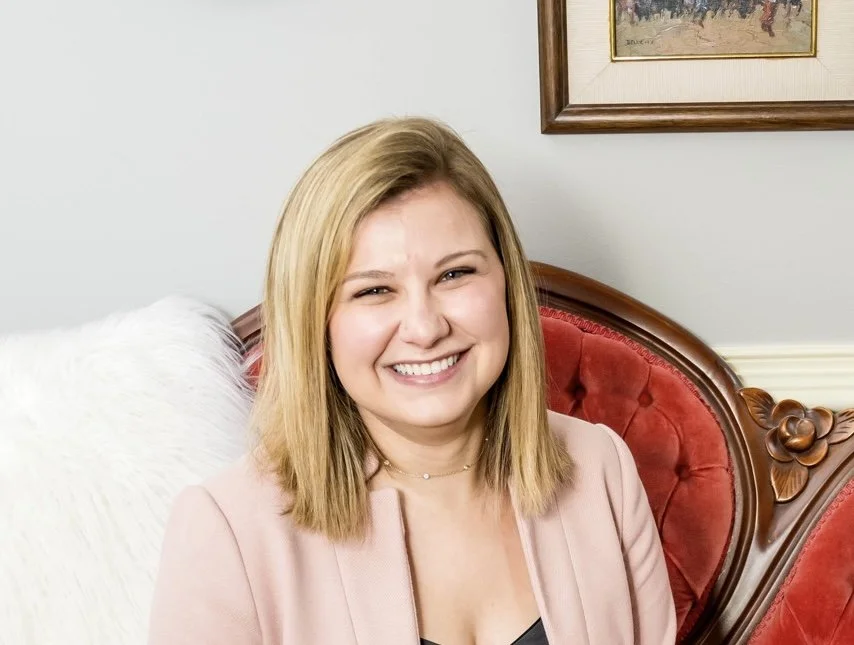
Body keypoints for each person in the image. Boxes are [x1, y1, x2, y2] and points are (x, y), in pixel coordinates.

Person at [148, 117, 676, 644]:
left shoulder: (600, 465)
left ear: (507, 285)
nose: (425, 329)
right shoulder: (226, 529)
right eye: (374, 291)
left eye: (454, 274)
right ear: (316, 323)